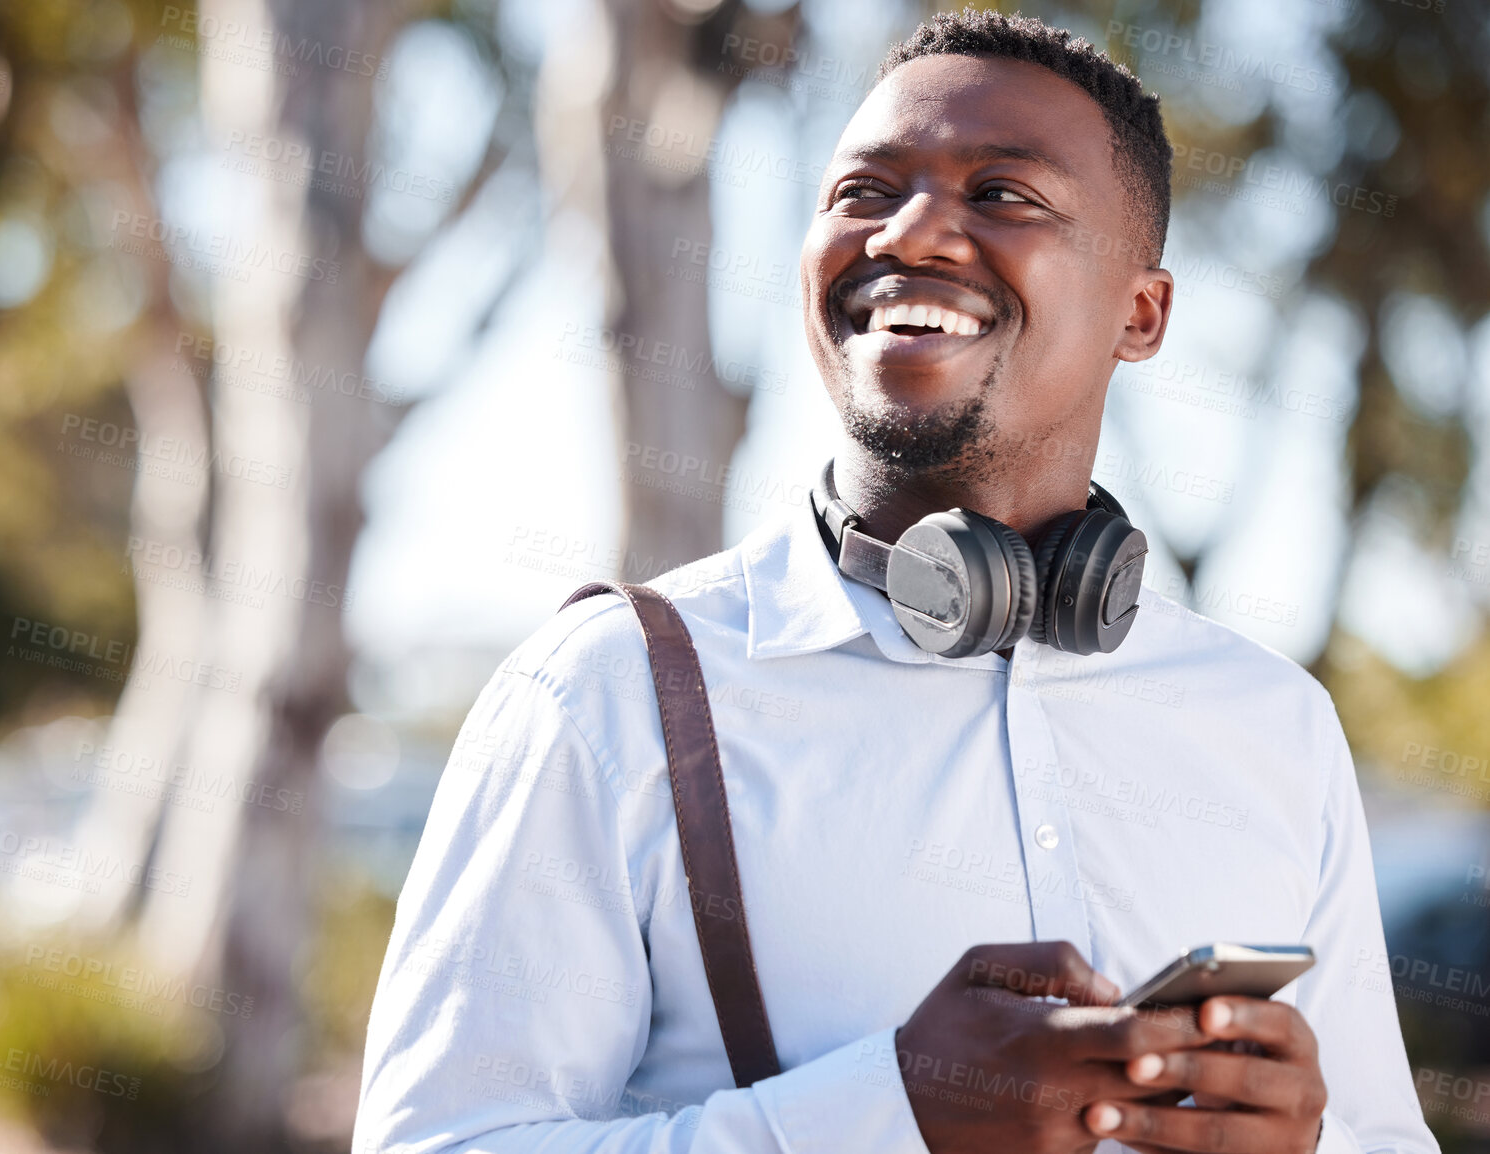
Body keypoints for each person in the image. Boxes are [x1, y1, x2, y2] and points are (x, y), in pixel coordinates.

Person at [352, 10, 1437, 1153]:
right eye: (864, 191)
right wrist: (891, 1112)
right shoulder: (607, 694)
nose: (910, 233)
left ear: (1141, 313)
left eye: (1003, 194)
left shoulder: (1273, 725)